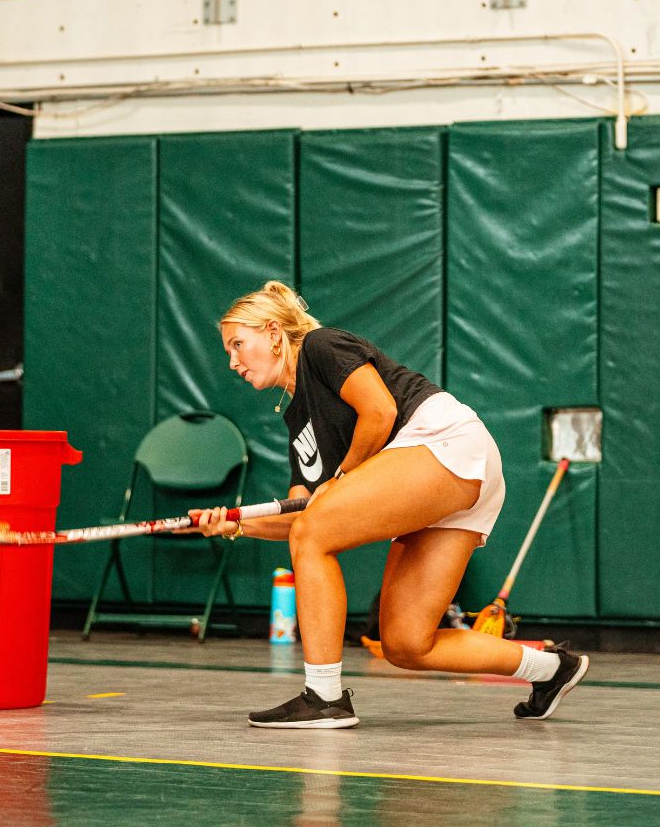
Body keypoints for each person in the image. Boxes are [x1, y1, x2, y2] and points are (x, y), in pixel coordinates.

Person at [183, 281, 588, 728]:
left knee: (315, 532)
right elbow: (302, 514)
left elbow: (379, 412)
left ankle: (324, 696)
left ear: (275, 333)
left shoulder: (321, 346)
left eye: (239, 344)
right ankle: (552, 669)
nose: (233, 361)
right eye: (228, 351)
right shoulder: (297, 418)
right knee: (406, 644)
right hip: (440, 483)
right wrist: (234, 524)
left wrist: (339, 480)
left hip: (445, 447)